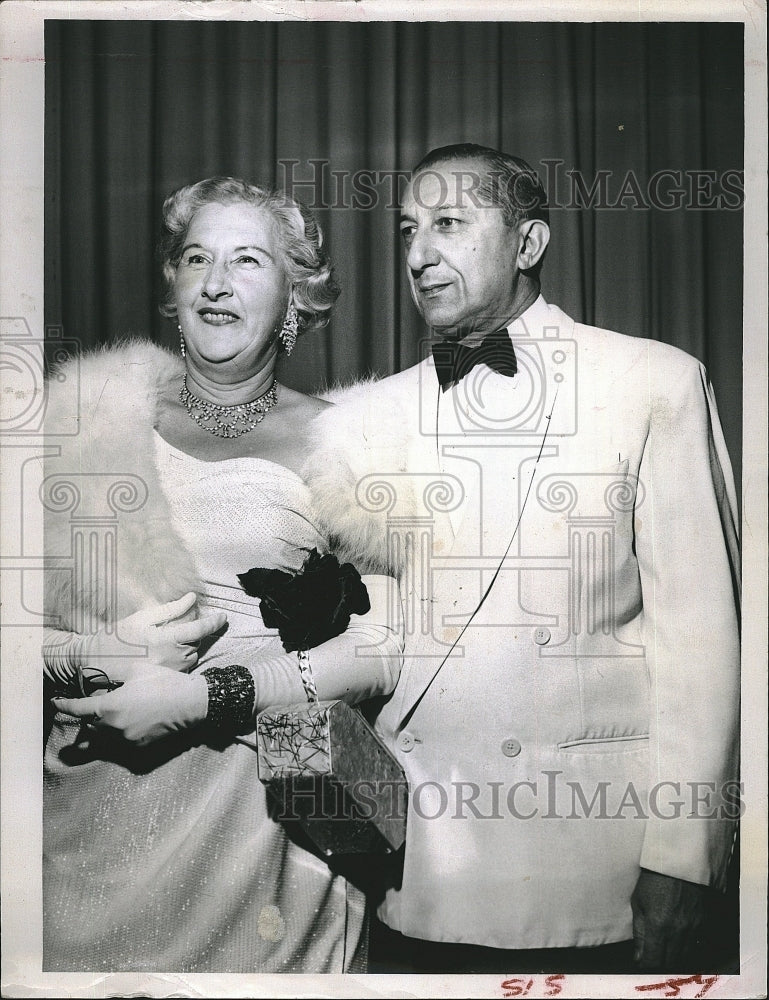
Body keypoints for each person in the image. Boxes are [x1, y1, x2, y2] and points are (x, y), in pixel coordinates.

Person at [303, 144, 741, 973]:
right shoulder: (368, 416)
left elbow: (703, 641)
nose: (420, 253)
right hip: (417, 866)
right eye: (407, 230)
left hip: (593, 869)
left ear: (528, 245)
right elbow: (374, 640)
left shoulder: (654, 383)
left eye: (449, 225)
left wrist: (686, 858)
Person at [41, 176, 402, 973]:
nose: (214, 283)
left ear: (296, 297)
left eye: (247, 261)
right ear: (172, 285)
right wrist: (92, 657)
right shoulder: (84, 420)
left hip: (261, 827)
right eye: (196, 258)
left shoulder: (349, 444)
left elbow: (387, 649)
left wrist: (203, 697)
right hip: (92, 813)